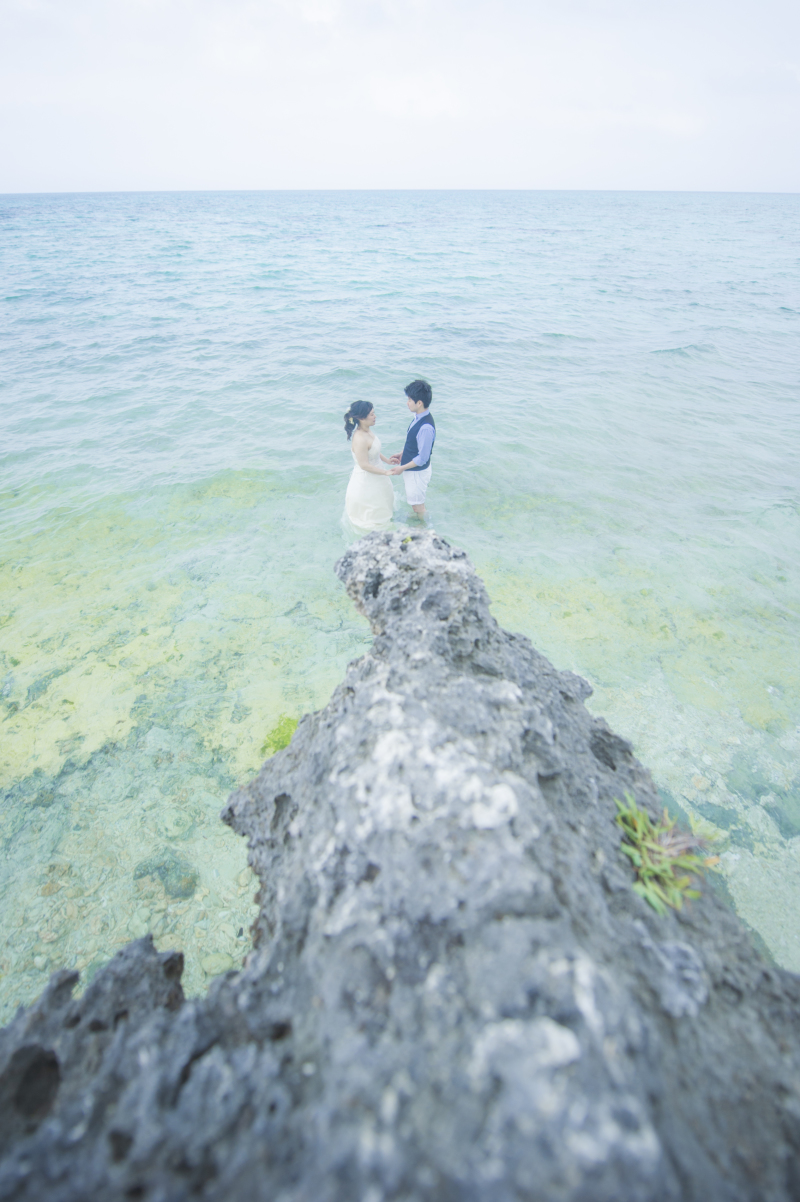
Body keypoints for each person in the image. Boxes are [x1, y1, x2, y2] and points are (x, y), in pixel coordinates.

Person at [343, 401, 400, 530]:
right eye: (372, 414)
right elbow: (364, 464)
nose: (375, 416)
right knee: (372, 512)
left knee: (384, 501)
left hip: (377, 473)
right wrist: (385, 472)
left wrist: (387, 461)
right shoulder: (360, 438)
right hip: (367, 478)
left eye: (374, 413)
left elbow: (374, 451)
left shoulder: (367, 431)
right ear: (362, 418)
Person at [389, 379, 435, 519]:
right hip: (413, 470)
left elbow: (422, 458)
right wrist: (403, 454)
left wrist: (401, 468)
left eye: (409, 400)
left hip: (417, 473)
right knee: (415, 504)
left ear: (419, 403)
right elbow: (415, 444)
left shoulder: (426, 427)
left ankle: (425, 530)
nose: (407, 402)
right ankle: (420, 524)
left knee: (418, 506)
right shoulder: (418, 418)